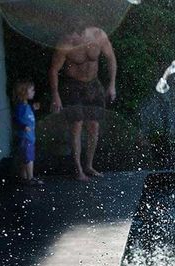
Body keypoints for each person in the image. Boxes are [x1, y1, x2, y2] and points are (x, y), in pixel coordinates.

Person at [48, 22, 117, 181]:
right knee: (77, 125)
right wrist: (55, 95)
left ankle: (89, 166)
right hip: (73, 86)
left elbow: (111, 58)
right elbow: (54, 69)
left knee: (94, 126)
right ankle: (78, 169)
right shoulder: (66, 42)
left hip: (94, 85)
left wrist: (112, 84)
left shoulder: (99, 35)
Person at [12, 79, 43, 186]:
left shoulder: (25, 106)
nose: (34, 92)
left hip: (28, 137)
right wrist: (23, 126)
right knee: (29, 157)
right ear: (24, 92)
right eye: (32, 90)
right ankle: (30, 178)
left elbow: (25, 117)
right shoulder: (21, 107)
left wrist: (33, 109)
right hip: (26, 137)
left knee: (25, 157)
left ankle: (24, 177)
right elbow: (16, 118)